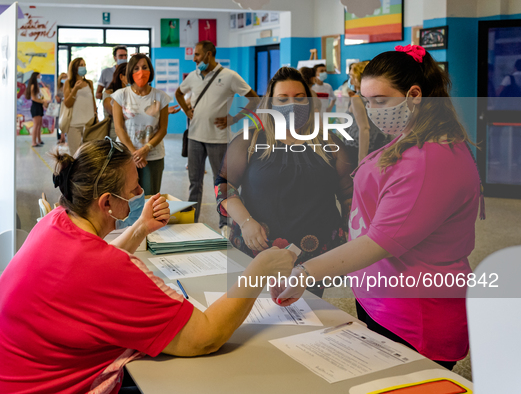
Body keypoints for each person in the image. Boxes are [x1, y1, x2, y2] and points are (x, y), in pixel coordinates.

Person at [0, 137, 296, 393]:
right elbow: (205, 336)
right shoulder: (105, 269)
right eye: (134, 191)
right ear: (106, 203)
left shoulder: (55, 223)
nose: (139, 196)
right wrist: (259, 270)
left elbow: (89, 267)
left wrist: (140, 228)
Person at [272, 45, 484, 370]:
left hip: (414, 315)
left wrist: (305, 272)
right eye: (367, 101)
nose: (372, 110)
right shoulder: (410, 136)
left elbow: (380, 240)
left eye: (380, 101)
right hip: (384, 299)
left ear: (414, 95)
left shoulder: (430, 159)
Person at [215, 67, 353, 297]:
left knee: (305, 317)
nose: (292, 105)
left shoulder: (329, 142)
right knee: (255, 315)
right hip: (259, 250)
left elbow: (348, 194)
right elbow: (224, 186)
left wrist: (352, 236)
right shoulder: (249, 141)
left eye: (299, 98)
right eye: (283, 99)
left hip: (315, 256)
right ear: (270, 103)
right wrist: (245, 221)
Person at [175, 40, 258, 235]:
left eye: (197, 55)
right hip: (195, 137)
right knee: (194, 182)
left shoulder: (229, 76)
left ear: (209, 54)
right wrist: (186, 109)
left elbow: (254, 98)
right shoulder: (194, 76)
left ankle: (225, 224)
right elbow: (179, 93)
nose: (194, 59)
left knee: (221, 184)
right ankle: (191, 221)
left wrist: (234, 118)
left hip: (219, 140)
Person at [113, 54, 169, 195]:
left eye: (145, 67)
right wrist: (134, 152)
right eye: (136, 68)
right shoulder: (121, 95)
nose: (141, 71)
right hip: (125, 155)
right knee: (126, 198)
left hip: (153, 156)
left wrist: (145, 149)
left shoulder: (160, 97)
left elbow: (163, 129)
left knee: (150, 198)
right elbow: (119, 128)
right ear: (130, 72)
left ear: (150, 70)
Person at [343, 61, 388, 164]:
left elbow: (364, 128)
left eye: (351, 76)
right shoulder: (377, 96)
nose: (349, 79)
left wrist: (361, 160)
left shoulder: (358, 98)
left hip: (358, 146)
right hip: (377, 142)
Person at [63, 57, 96, 155]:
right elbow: (67, 104)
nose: (83, 67)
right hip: (74, 124)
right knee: (75, 154)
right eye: (81, 65)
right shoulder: (68, 83)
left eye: (84, 65)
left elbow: (92, 101)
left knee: (89, 154)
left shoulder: (89, 83)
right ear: (74, 68)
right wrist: (75, 89)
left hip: (89, 124)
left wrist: (95, 115)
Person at [102, 63, 128, 141]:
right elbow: (119, 113)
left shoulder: (130, 93)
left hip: (130, 135)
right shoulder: (109, 95)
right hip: (114, 136)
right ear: (121, 77)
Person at [25, 72, 49, 148]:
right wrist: (43, 101)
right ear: (35, 78)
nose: (40, 78)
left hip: (39, 106)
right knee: (36, 125)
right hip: (35, 107)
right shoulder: (32, 86)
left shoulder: (37, 87)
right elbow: (34, 98)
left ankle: (39, 140)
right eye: (39, 77)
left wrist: (44, 101)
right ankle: (33, 142)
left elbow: (39, 97)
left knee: (39, 124)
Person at [56, 72, 67, 144]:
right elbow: (57, 97)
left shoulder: (68, 87)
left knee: (66, 120)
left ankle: (64, 137)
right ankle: (62, 137)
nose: (64, 78)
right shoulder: (59, 88)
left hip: (67, 106)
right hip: (60, 106)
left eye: (65, 77)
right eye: (62, 77)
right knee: (60, 122)